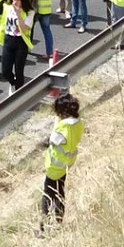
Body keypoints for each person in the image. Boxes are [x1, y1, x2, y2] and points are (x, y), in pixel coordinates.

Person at [40, 92, 83, 229]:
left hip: (54, 167)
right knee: (60, 192)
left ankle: (44, 226)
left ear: (62, 112)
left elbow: (52, 140)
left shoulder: (63, 127)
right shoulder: (77, 124)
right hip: (66, 164)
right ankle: (59, 220)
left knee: (48, 195)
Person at [0, 0, 34, 93]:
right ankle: (13, 82)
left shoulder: (29, 12)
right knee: (5, 71)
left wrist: (18, 14)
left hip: (21, 42)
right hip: (8, 40)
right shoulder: (8, 8)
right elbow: (3, 22)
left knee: (19, 70)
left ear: (23, 0)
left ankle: (19, 94)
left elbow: (24, 28)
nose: (15, 2)